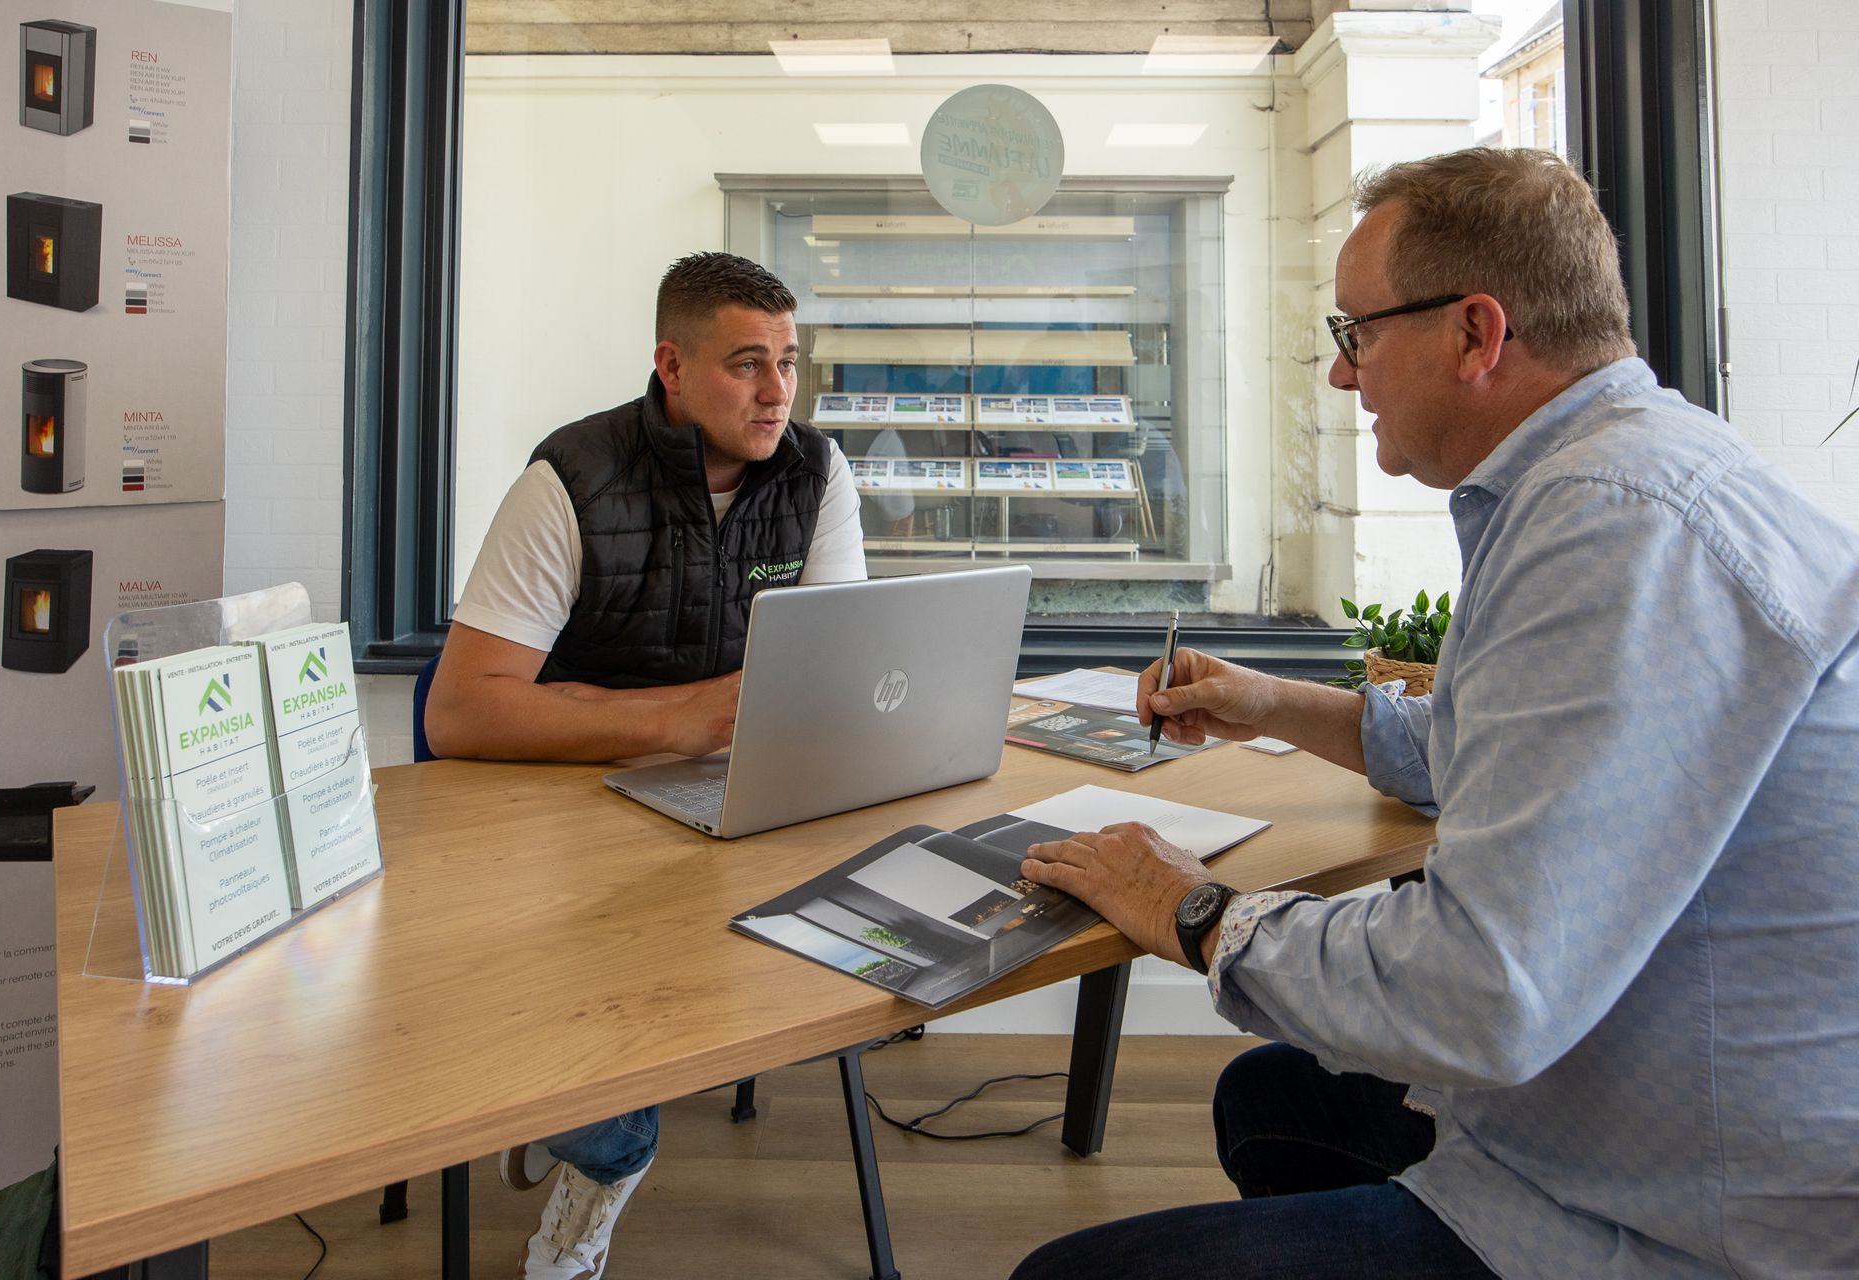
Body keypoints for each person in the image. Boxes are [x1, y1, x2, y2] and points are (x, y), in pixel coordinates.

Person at [1009, 147, 1859, 1280]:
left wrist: (1193, 908)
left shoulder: (1609, 526)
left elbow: (1483, 991)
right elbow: (1493, 756)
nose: (1340, 374)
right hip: (1623, 1098)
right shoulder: (1622, 470)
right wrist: (1271, 702)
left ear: (1475, 333)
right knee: (1271, 1098)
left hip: (1678, 1214)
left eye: (1356, 333)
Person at [427, 251, 866, 1279]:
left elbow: (831, 675)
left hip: (731, 801)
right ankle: (599, 1139)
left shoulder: (815, 473)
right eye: (746, 364)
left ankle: (567, 1102)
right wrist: (678, 719)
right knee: (610, 968)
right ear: (671, 365)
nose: (776, 392)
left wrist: (612, 710)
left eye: (789, 362)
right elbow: (461, 710)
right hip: (561, 815)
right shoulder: (570, 479)